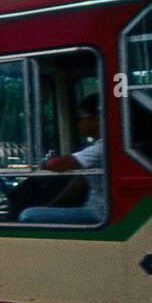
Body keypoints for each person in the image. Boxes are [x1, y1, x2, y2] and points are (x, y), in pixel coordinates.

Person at [19, 93, 103, 223]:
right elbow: (78, 186)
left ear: (97, 119)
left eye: (80, 118)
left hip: (98, 214)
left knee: (27, 215)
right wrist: (51, 206)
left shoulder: (102, 148)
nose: (77, 123)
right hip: (95, 209)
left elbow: (55, 164)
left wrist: (39, 164)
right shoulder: (101, 145)